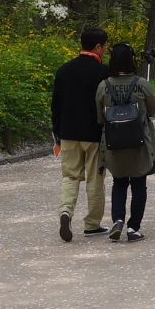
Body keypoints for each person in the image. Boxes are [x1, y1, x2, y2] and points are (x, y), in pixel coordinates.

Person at [95, 43, 155, 241]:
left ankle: (117, 220)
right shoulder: (141, 84)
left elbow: (100, 118)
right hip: (138, 142)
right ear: (132, 60)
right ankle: (133, 228)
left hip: (114, 143)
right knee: (139, 185)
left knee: (119, 182)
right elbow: (152, 111)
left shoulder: (104, 85)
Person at [49, 26, 113, 242]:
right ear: (98, 46)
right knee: (95, 179)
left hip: (68, 133)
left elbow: (56, 105)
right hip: (94, 134)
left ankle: (65, 211)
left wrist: (57, 131)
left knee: (70, 176)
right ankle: (92, 224)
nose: (105, 50)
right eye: (105, 46)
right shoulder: (103, 72)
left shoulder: (64, 70)